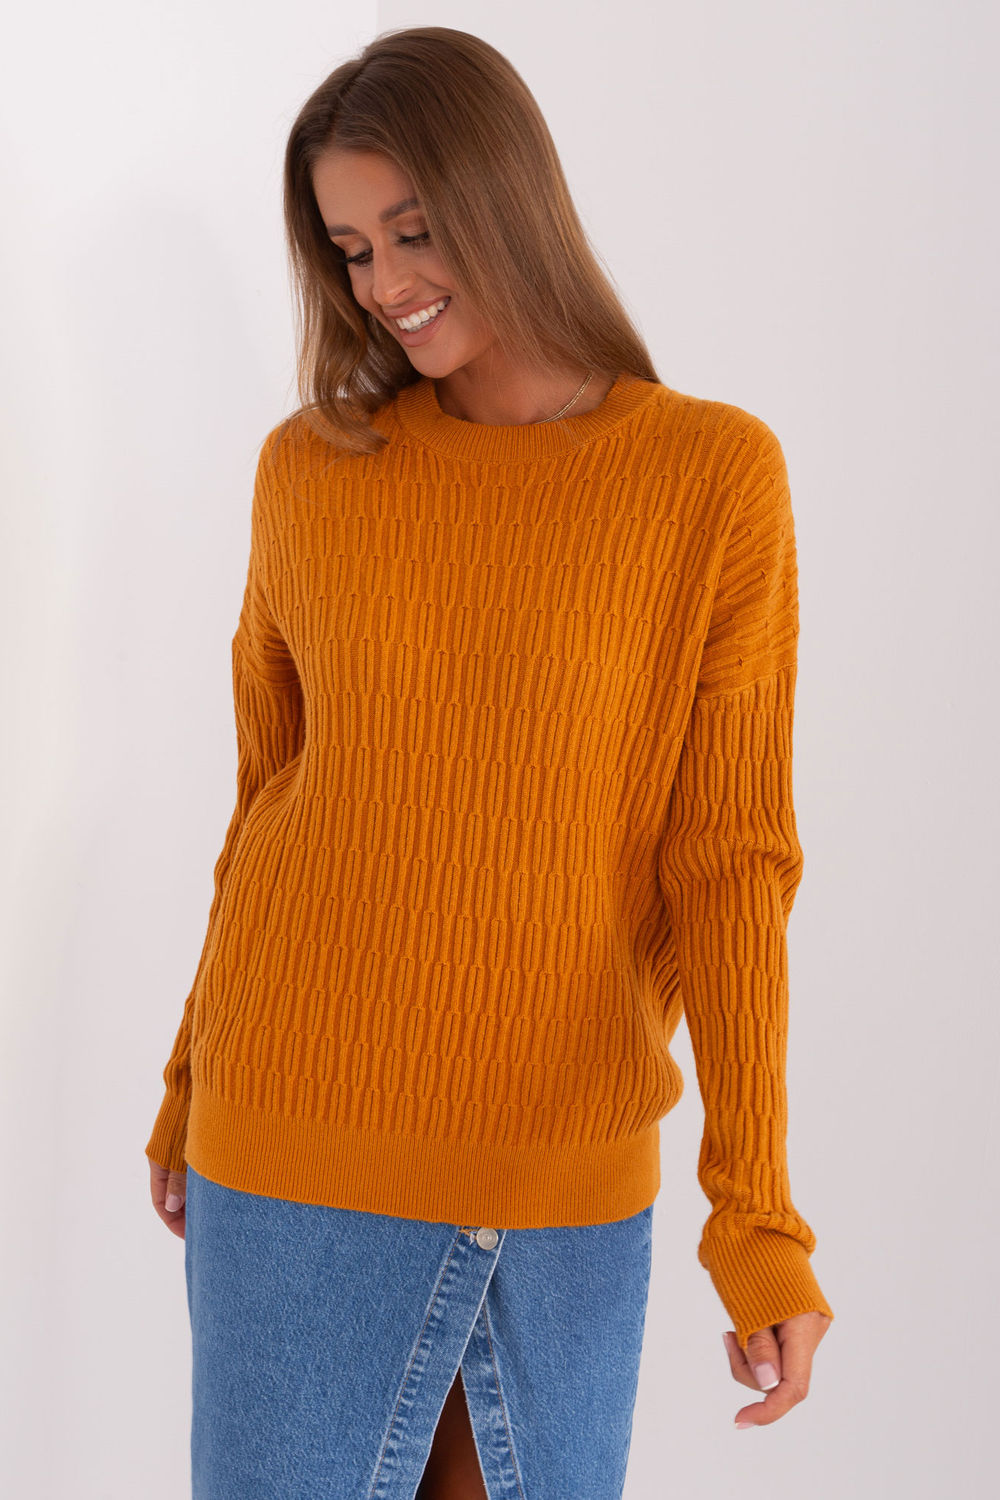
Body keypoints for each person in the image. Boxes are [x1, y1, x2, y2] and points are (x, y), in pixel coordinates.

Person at [145, 24, 834, 1499]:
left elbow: (731, 861)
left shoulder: (713, 478)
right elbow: (270, 799)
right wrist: (189, 1075)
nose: (384, 284)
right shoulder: (310, 472)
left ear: (510, 199)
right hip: (288, 1150)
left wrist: (756, 1215)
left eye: (413, 230)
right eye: (349, 249)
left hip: (560, 1180)